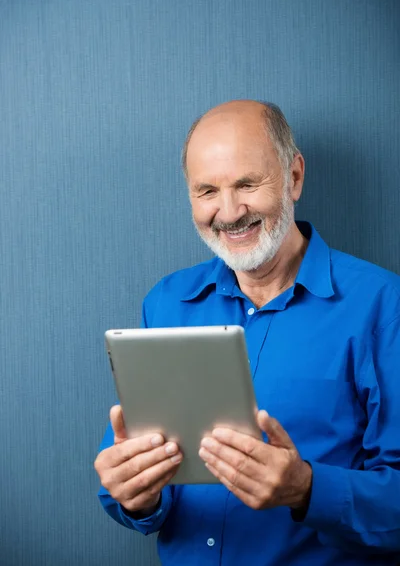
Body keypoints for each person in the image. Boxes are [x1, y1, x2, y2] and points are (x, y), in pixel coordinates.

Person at [94, 100, 400, 565]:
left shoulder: (383, 305)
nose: (230, 211)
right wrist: (134, 493)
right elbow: (142, 487)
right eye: (207, 191)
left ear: (294, 177)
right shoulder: (167, 302)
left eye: (247, 184)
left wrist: (307, 489)